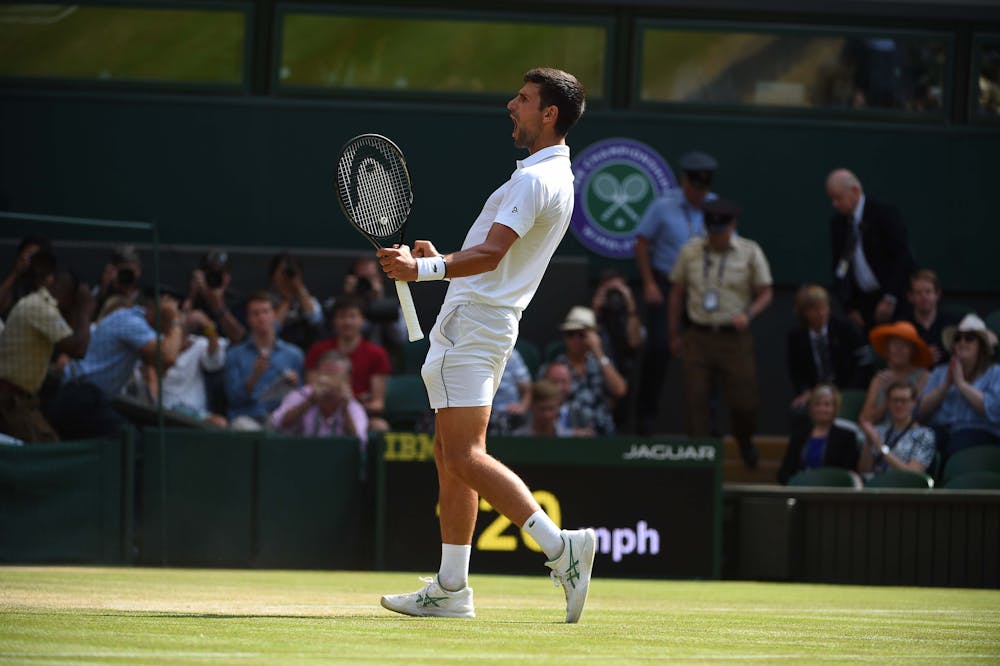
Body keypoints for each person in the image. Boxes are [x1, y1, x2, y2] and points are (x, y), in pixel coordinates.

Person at [374, 68, 595, 623]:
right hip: (486, 322)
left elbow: (493, 256)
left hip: (475, 325)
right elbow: (493, 256)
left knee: (464, 455)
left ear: (550, 114)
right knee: (450, 456)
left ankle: (558, 546)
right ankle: (451, 588)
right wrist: (444, 257)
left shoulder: (533, 181)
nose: (510, 105)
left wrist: (423, 267)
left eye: (523, 100)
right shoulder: (553, 177)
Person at [668, 198, 773, 468]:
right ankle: (700, 460)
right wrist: (674, 334)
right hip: (698, 335)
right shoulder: (690, 251)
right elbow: (677, 292)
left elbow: (766, 292)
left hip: (734, 338)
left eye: (721, 232)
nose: (716, 238)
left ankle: (745, 441)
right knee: (696, 401)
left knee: (744, 400)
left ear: (732, 227)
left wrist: (748, 314)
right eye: (711, 232)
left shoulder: (749, 251)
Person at [634, 151, 718, 435]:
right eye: (695, 187)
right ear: (685, 182)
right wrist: (648, 283)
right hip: (666, 283)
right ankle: (646, 418)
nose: (699, 194)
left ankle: (707, 424)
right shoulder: (663, 206)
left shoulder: (715, 206)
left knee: (706, 353)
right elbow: (642, 243)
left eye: (703, 188)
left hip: (701, 289)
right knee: (658, 347)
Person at [48, 287, 183, 440]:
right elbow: (167, 357)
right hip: (81, 396)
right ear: (152, 307)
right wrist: (174, 321)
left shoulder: (135, 322)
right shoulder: (130, 321)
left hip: (86, 397)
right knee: (133, 443)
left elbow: (163, 367)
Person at [0, 251, 93, 442]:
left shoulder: (38, 304)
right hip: (10, 399)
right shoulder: (41, 308)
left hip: (19, 399)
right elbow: (78, 349)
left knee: (48, 446)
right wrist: (85, 309)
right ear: (69, 294)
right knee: (44, 452)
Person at [826, 169, 915, 331]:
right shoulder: (838, 224)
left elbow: (902, 257)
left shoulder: (884, 214)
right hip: (864, 305)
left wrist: (890, 297)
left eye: (839, 198)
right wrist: (850, 308)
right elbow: (839, 267)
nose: (835, 204)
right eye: (832, 199)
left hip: (894, 300)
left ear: (855, 191)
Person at [305, 295, 392, 431]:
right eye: (341, 317)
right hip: (320, 412)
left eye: (352, 316)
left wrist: (352, 401)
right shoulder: (318, 350)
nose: (347, 322)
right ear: (334, 321)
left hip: (358, 412)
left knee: (380, 426)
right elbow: (311, 390)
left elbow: (377, 404)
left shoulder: (377, 354)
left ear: (362, 320)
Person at [918, 314, 1000, 458]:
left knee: (958, 442)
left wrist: (961, 385)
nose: (962, 342)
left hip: (980, 434)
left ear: (981, 345)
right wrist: (945, 386)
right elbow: (920, 412)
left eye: (969, 338)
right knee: (920, 440)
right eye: (957, 338)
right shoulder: (940, 372)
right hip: (942, 431)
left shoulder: (995, 373)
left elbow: (994, 410)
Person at [223, 290, 303, 430]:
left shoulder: (293, 354)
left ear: (273, 315)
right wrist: (254, 376)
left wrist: (294, 385)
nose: (261, 318)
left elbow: (302, 397)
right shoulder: (234, 355)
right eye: (256, 313)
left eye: (265, 312)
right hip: (246, 418)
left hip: (281, 419)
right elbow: (233, 400)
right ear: (248, 319)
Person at [544, 306, 627, 436]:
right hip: (566, 435)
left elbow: (620, 390)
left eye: (581, 334)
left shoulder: (601, 363)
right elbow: (545, 401)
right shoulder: (556, 365)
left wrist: (599, 352)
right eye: (570, 334)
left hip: (602, 434)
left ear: (593, 336)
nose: (576, 340)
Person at [786, 284, 871, 412]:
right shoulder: (796, 337)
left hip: (846, 389)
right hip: (816, 392)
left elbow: (863, 362)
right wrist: (806, 391)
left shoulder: (846, 328)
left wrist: (848, 391)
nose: (821, 313)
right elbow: (796, 372)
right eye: (815, 310)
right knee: (798, 411)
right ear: (804, 313)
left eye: (824, 307)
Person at [270, 350, 368, 446]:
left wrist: (345, 410)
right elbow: (277, 424)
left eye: (335, 375)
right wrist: (310, 401)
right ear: (316, 374)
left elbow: (358, 443)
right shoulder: (302, 394)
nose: (329, 380)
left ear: (347, 380)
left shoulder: (351, 405)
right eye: (326, 373)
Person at [157, 308, 229, 427]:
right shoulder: (156, 343)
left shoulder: (198, 343)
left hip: (195, 414)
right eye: (176, 325)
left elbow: (215, 362)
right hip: (163, 411)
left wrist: (207, 324)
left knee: (220, 423)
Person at [591, 269, 643, 431]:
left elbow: (635, 341)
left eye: (618, 291)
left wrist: (629, 304)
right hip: (597, 377)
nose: (614, 297)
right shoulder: (596, 316)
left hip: (626, 373)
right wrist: (595, 307)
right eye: (610, 291)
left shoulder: (630, 316)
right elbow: (586, 338)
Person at [777, 384, 861, 484]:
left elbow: (848, 472)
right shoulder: (799, 435)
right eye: (817, 404)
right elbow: (785, 471)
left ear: (835, 409)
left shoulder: (847, 437)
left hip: (831, 489)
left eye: (827, 404)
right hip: (801, 489)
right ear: (811, 408)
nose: (822, 409)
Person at [860, 320, 931, 425]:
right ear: (887, 348)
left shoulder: (924, 376)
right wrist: (887, 399)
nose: (899, 349)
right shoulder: (879, 379)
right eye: (895, 344)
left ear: (912, 351)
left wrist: (894, 391)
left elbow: (918, 414)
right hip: (880, 435)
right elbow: (866, 420)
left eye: (905, 345)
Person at [858, 381, 936, 476]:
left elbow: (913, 475)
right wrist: (869, 443)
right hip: (874, 485)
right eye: (895, 400)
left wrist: (881, 448)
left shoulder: (924, 434)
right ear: (888, 402)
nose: (899, 405)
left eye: (904, 400)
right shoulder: (878, 431)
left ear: (914, 402)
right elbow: (863, 471)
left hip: (902, 488)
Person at [341, 255, 408, 353]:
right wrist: (348, 297)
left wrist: (380, 300)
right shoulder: (339, 305)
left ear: (379, 279)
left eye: (370, 278)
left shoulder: (391, 306)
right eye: (362, 279)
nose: (366, 283)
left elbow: (401, 338)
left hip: (382, 357)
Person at [186, 250, 246, 344]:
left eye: (220, 273)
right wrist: (192, 295)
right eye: (211, 272)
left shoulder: (237, 301)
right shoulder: (191, 298)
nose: (214, 277)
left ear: (228, 276)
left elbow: (239, 336)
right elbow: (177, 328)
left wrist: (218, 305)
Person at [268, 252, 324, 352]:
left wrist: (298, 287)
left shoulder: (306, 297)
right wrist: (286, 300)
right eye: (282, 272)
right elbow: (271, 328)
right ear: (273, 274)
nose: (286, 278)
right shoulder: (266, 300)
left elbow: (316, 320)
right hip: (275, 350)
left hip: (305, 348)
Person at [904, 269, 959, 366]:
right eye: (918, 293)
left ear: (937, 294)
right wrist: (920, 357)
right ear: (911, 297)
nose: (924, 297)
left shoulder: (952, 322)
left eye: (928, 292)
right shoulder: (903, 325)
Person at [0, 235, 49, 318]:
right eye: (28, 255)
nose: (31, 260)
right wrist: (15, 273)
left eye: (35, 256)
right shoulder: (13, 283)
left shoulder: (50, 280)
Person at [487, 347, 532, 435]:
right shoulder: (473, 352)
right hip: (483, 412)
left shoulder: (512, 355)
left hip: (510, 412)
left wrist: (522, 407)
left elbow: (527, 389)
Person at [92, 245, 143, 318]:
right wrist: (103, 289)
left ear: (139, 271)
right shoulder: (103, 294)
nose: (126, 277)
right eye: (123, 272)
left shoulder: (146, 300)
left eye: (130, 273)